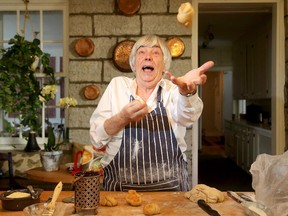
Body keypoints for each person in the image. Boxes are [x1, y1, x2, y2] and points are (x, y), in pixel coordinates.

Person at [90, 35, 214, 191]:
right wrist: (122, 118)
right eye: (141, 52)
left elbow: (188, 117)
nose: (147, 56)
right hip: (119, 191)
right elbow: (96, 139)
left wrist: (187, 93)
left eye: (156, 53)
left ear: (164, 65)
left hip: (172, 191)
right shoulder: (117, 86)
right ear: (134, 63)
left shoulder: (174, 90)